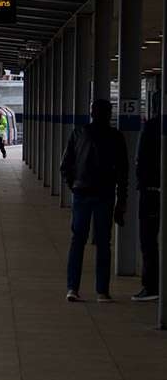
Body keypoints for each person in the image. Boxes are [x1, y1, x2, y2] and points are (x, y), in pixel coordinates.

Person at [60, 99, 128, 303]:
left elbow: (65, 166)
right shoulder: (116, 137)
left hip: (83, 194)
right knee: (103, 243)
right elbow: (123, 173)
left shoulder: (78, 133)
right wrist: (121, 201)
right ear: (110, 114)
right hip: (104, 196)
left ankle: (72, 288)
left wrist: (74, 186)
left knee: (78, 241)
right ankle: (102, 291)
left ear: (92, 113)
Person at [133, 103, 160, 302]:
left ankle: (151, 286)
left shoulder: (151, 127)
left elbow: (141, 161)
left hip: (150, 192)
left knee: (148, 240)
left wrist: (142, 185)